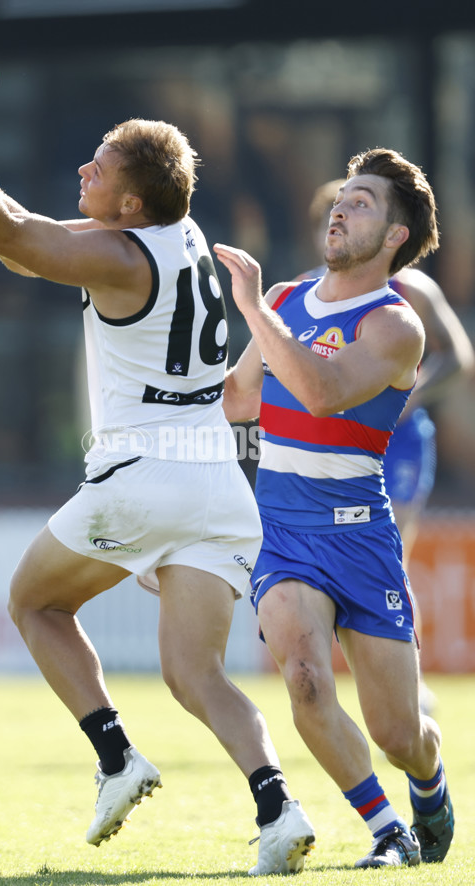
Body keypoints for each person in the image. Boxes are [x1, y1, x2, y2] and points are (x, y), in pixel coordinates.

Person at [0, 52, 315, 875]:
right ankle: (278, 807)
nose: (82, 167)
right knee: (197, 676)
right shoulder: (176, 232)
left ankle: (117, 757)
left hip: (145, 467)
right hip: (218, 476)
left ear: (128, 203)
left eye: (100, 166)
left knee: (33, 604)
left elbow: (3, 235)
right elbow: (24, 246)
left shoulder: (122, 258)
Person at [214, 147, 454, 868]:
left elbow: (320, 391)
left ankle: (428, 784)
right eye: (343, 196)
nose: (341, 208)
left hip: (360, 539)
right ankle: (389, 831)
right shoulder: (288, 300)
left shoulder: (395, 325)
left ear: (394, 238)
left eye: (364, 202)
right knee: (305, 678)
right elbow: (236, 399)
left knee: (399, 733)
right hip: (285, 536)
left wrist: (253, 310)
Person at [302, 178, 475, 712]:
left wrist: (412, 394)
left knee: (389, 555)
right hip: (333, 447)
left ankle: (406, 685)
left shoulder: (414, 291)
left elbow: (458, 357)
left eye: (358, 210)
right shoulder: (305, 293)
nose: (340, 224)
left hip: (397, 444)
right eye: (333, 215)